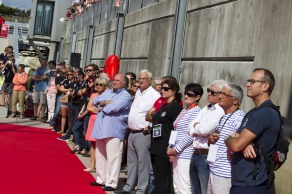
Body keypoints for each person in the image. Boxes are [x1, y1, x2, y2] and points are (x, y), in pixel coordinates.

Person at [225, 68, 280, 194]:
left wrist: (235, 141)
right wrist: (243, 143)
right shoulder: (252, 112)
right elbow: (232, 147)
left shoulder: (266, 113)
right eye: (248, 81)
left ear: (265, 86)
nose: (247, 84)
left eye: (252, 81)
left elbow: (235, 144)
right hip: (241, 182)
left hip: (252, 184)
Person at [115, 70, 160, 194]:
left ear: (150, 80)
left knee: (143, 163)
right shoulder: (138, 92)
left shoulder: (154, 95)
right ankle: (128, 187)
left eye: (144, 79)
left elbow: (157, 113)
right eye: (139, 78)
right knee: (131, 162)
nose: (141, 81)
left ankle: (141, 189)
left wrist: (150, 125)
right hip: (132, 131)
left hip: (143, 132)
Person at [90, 73, 132, 192]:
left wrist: (104, 104)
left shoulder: (125, 96)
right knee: (101, 155)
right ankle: (101, 179)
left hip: (114, 129)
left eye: (118, 80)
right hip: (101, 128)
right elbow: (95, 100)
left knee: (113, 157)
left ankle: (111, 182)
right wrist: (106, 102)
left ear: (123, 83)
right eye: (114, 80)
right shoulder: (109, 91)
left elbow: (112, 108)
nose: (114, 82)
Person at [188, 80, 226, 194]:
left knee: (205, 189)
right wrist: (198, 128)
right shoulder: (205, 108)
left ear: (220, 94)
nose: (209, 93)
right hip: (194, 153)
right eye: (208, 90)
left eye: (213, 92)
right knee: (195, 189)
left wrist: (197, 127)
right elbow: (190, 128)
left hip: (206, 154)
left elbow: (204, 130)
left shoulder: (220, 111)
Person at [207, 83, 245, 194]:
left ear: (235, 100)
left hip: (225, 174)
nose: (220, 97)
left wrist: (232, 150)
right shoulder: (224, 117)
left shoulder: (239, 118)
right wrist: (211, 140)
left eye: (224, 94)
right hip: (214, 169)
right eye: (220, 93)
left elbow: (240, 143)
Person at [167, 83, 203, 194]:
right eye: (185, 94)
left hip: (186, 153)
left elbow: (190, 134)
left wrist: (176, 149)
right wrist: (170, 145)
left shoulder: (197, 112)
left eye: (190, 94)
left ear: (197, 97)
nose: (186, 96)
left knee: (184, 186)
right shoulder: (184, 110)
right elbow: (175, 128)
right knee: (176, 185)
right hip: (177, 152)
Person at [148, 79, 183, 194]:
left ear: (173, 91)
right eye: (162, 88)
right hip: (156, 145)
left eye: (166, 88)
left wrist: (171, 147)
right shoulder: (163, 105)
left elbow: (176, 130)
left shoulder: (176, 107)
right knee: (157, 177)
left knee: (163, 178)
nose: (162, 90)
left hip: (164, 146)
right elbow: (151, 118)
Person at [84, 77, 109, 172]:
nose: (98, 86)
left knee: (101, 145)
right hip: (93, 120)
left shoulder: (108, 96)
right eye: (97, 84)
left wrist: (97, 110)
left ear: (105, 86)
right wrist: (97, 110)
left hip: (102, 121)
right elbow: (88, 107)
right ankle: (92, 165)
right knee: (92, 144)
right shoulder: (93, 95)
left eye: (100, 84)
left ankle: (101, 167)